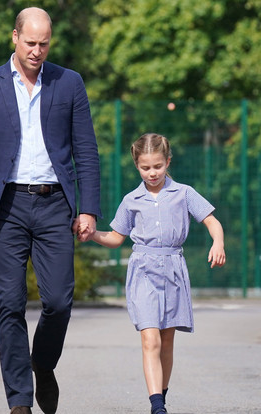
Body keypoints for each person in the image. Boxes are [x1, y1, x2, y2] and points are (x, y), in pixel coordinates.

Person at [0, 7, 101, 414]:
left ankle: (43, 363)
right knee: (11, 304)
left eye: (44, 43)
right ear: (14, 37)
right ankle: (19, 401)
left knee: (58, 301)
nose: (37, 51)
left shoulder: (69, 82)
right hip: (7, 207)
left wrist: (88, 208)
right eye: (30, 42)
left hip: (56, 204)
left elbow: (86, 150)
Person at [83, 133, 225, 414]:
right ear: (137, 166)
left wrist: (218, 242)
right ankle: (157, 405)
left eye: (157, 166)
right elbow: (115, 237)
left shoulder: (184, 193)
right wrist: (92, 234)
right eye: (145, 168)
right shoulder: (131, 199)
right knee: (151, 338)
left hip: (173, 270)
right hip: (143, 271)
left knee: (167, 341)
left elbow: (212, 221)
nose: (152, 173)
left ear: (168, 162)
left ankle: (162, 394)